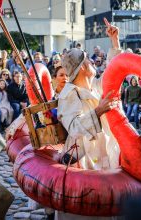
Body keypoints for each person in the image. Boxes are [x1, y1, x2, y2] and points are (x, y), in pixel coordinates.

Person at [57, 17, 121, 219]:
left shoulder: (92, 86)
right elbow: (74, 127)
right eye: (88, 59)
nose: (93, 61)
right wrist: (98, 111)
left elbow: (112, 72)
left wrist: (115, 42)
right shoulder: (68, 93)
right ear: (82, 68)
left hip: (104, 153)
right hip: (84, 162)